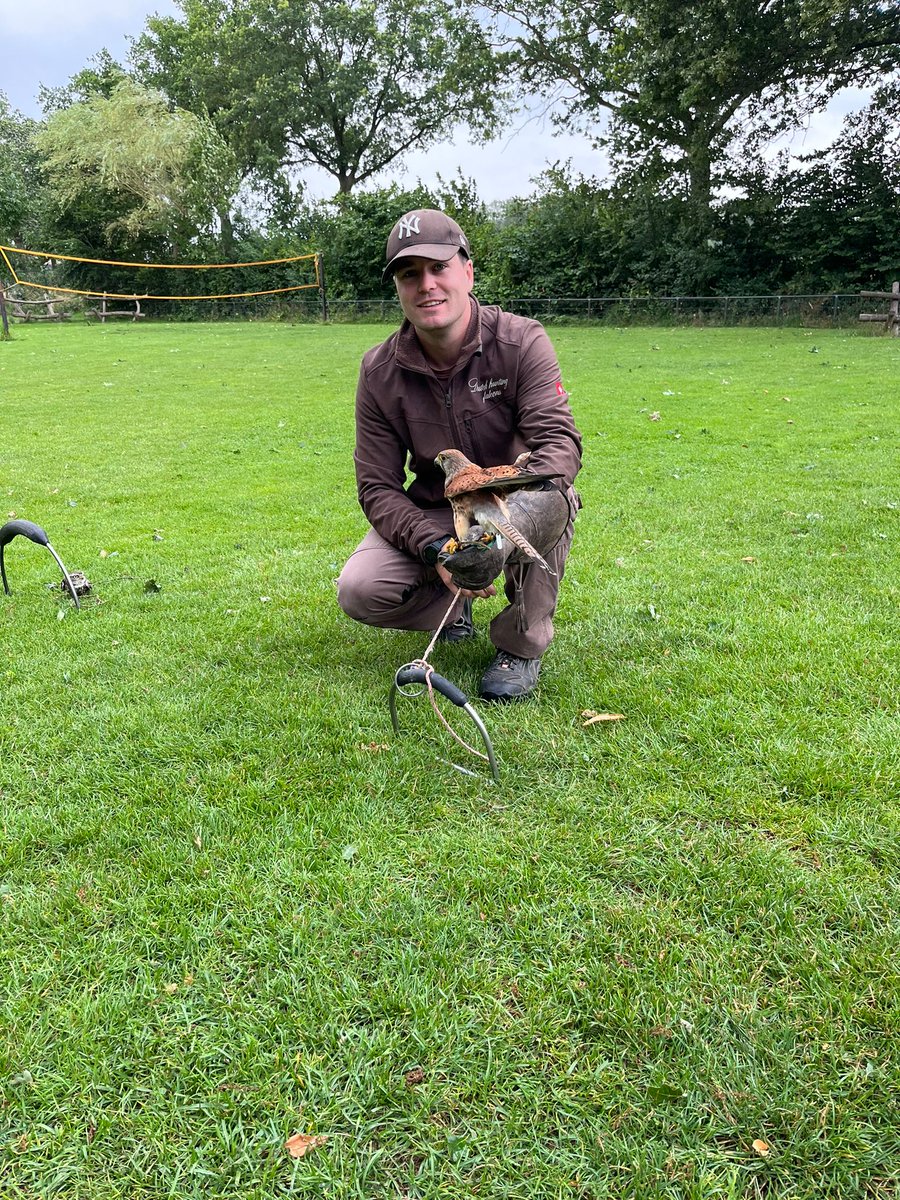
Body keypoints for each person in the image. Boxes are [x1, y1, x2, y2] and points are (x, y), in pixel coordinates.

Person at [336, 209, 582, 702]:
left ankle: (521, 644)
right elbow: (377, 486)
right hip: (436, 506)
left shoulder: (520, 340)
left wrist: (501, 520)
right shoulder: (379, 370)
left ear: (467, 271)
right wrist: (440, 550)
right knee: (360, 588)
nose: (426, 284)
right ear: (399, 289)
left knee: (556, 496)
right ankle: (453, 604)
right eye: (410, 274)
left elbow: (558, 442)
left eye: (438, 267)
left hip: (516, 498)